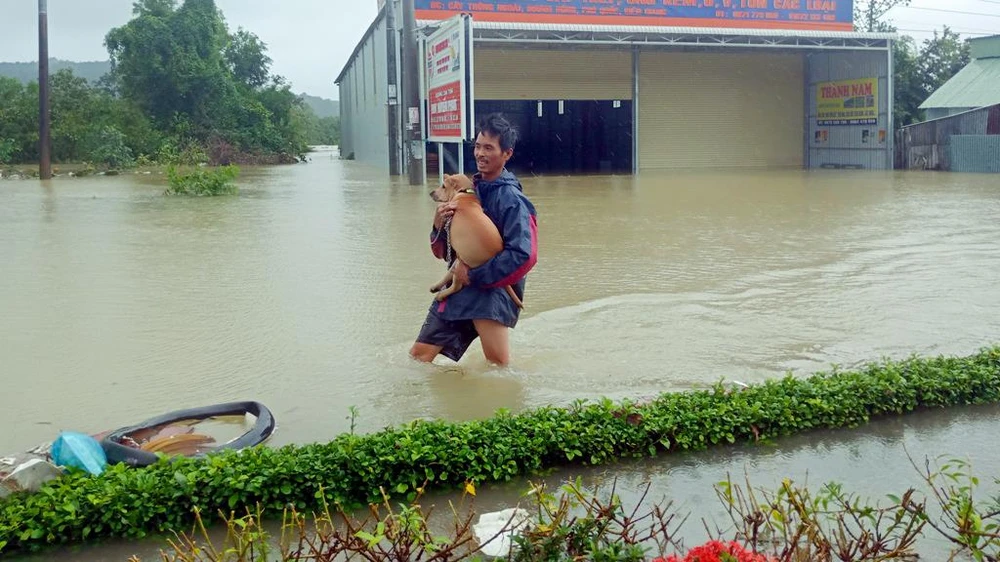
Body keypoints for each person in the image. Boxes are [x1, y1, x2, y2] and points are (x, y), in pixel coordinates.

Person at [409, 114, 538, 367]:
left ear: (507, 154)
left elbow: (525, 255)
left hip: (491, 294)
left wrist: (475, 275)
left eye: (489, 148)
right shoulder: (465, 189)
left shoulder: (512, 199)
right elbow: (445, 252)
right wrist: (437, 225)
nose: (480, 153)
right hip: (458, 289)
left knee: (497, 367)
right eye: (478, 146)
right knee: (418, 357)